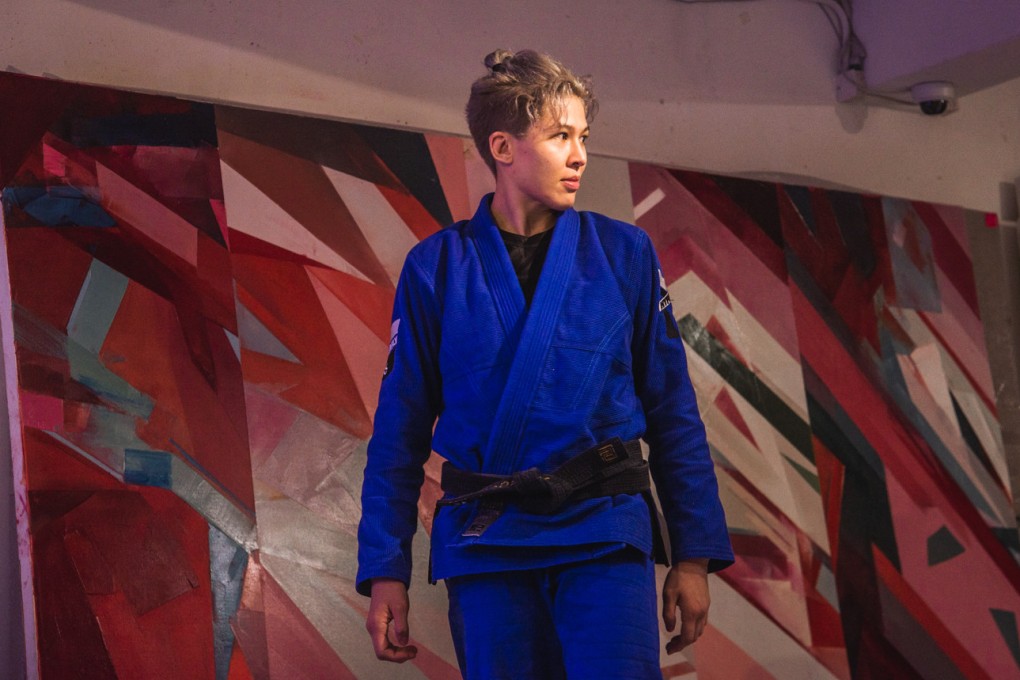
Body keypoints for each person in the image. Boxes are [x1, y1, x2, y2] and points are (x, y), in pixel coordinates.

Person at [357, 48, 733, 679]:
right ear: (502, 147)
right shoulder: (436, 268)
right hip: (487, 539)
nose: (580, 154)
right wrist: (384, 571)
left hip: (604, 531)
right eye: (561, 136)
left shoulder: (624, 254)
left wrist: (692, 557)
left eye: (583, 136)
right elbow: (397, 433)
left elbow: (673, 411)